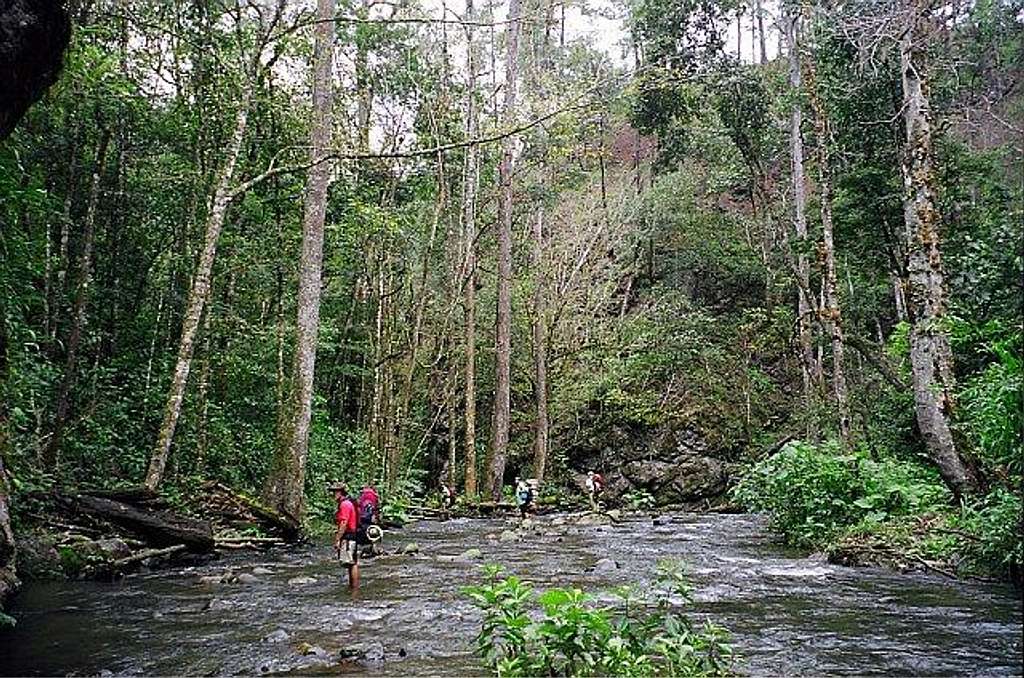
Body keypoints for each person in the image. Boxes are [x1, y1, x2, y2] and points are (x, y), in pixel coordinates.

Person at [330, 482, 360, 590]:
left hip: (348, 536)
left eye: (334, 492)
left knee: (351, 563)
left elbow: (344, 523)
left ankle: (354, 588)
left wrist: (337, 539)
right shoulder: (347, 503)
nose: (332, 494)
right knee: (352, 562)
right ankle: (353, 587)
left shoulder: (344, 504)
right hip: (352, 535)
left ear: (340, 492)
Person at [357, 485, 382, 556]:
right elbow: (376, 508)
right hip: (370, 519)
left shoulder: (363, 496)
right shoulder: (374, 496)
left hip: (362, 518)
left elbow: (359, 506)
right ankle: (374, 549)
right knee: (373, 534)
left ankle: (364, 550)